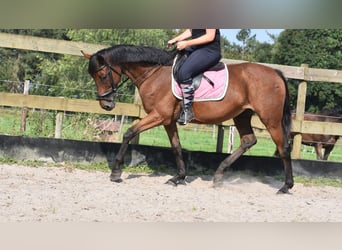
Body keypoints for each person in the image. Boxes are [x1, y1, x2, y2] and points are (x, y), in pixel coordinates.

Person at [167, 29, 221, 125]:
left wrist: (187, 43)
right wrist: (175, 40)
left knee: (184, 72)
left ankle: (188, 110)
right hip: (196, 49)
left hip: (209, 50)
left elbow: (210, 36)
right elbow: (191, 31)